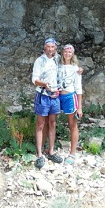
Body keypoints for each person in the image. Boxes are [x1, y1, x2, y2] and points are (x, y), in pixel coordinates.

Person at [31, 37, 63, 168]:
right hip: (43, 95)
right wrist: (45, 84)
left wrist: (79, 70)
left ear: (55, 48)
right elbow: (34, 79)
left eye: (53, 47)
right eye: (48, 47)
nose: (50, 49)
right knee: (40, 123)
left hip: (55, 95)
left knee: (52, 123)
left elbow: (69, 67)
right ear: (45, 48)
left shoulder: (58, 59)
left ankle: (51, 151)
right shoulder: (40, 61)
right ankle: (39, 154)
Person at [57, 44, 83, 164]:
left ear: (73, 54)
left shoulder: (75, 68)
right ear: (62, 52)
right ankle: (49, 148)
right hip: (57, 96)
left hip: (70, 96)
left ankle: (72, 154)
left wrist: (79, 108)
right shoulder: (57, 65)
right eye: (66, 52)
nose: (67, 54)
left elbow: (79, 88)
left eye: (70, 52)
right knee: (50, 121)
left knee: (72, 125)